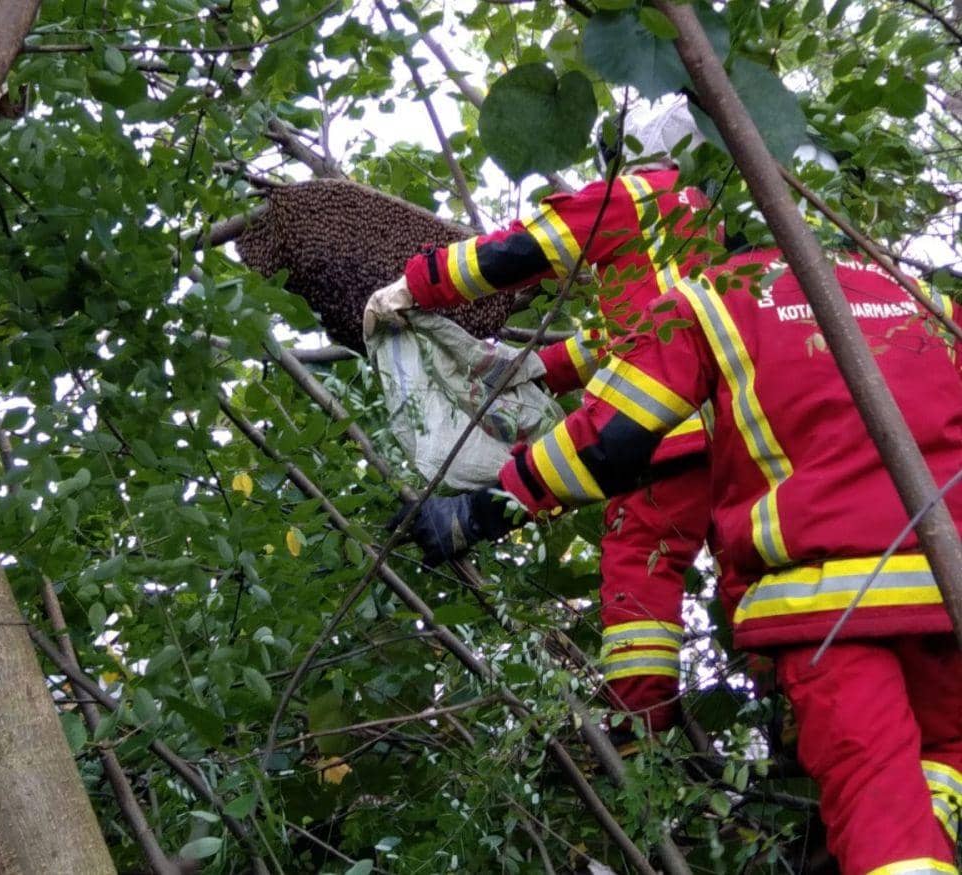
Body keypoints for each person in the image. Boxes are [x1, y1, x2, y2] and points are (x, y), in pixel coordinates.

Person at [398, 239, 962, 875]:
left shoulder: (713, 298)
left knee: (877, 800)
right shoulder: (923, 300)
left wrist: (479, 512)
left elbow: (608, 440)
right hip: (949, 588)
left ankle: (643, 730)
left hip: (833, 598)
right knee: (940, 764)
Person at [364, 99, 722, 731]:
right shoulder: (713, 226)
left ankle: (641, 734)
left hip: (663, 431)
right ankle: (782, 705)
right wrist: (534, 370)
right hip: (739, 431)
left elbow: (515, 252)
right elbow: (638, 332)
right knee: (750, 563)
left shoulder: (633, 198)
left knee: (641, 562)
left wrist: (414, 285)